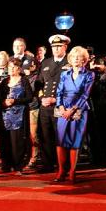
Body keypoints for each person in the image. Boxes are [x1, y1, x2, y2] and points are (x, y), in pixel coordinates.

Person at [55, 46, 95, 183]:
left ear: (84, 59)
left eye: (79, 56)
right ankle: (61, 171)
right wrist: (61, 107)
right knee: (60, 140)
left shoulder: (89, 75)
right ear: (70, 59)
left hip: (79, 110)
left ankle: (72, 171)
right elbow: (59, 92)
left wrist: (72, 110)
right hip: (63, 109)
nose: (76, 58)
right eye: (73, 56)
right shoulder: (64, 74)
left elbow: (85, 95)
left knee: (74, 141)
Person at [34, 34, 70, 173]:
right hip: (45, 105)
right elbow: (39, 84)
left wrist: (55, 99)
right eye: (54, 46)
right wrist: (42, 98)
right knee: (45, 135)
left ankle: (63, 165)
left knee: (61, 135)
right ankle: (47, 164)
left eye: (59, 46)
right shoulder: (46, 62)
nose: (56, 49)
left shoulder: (69, 62)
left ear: (65, 47)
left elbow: (72, 87)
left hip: (60, 105)